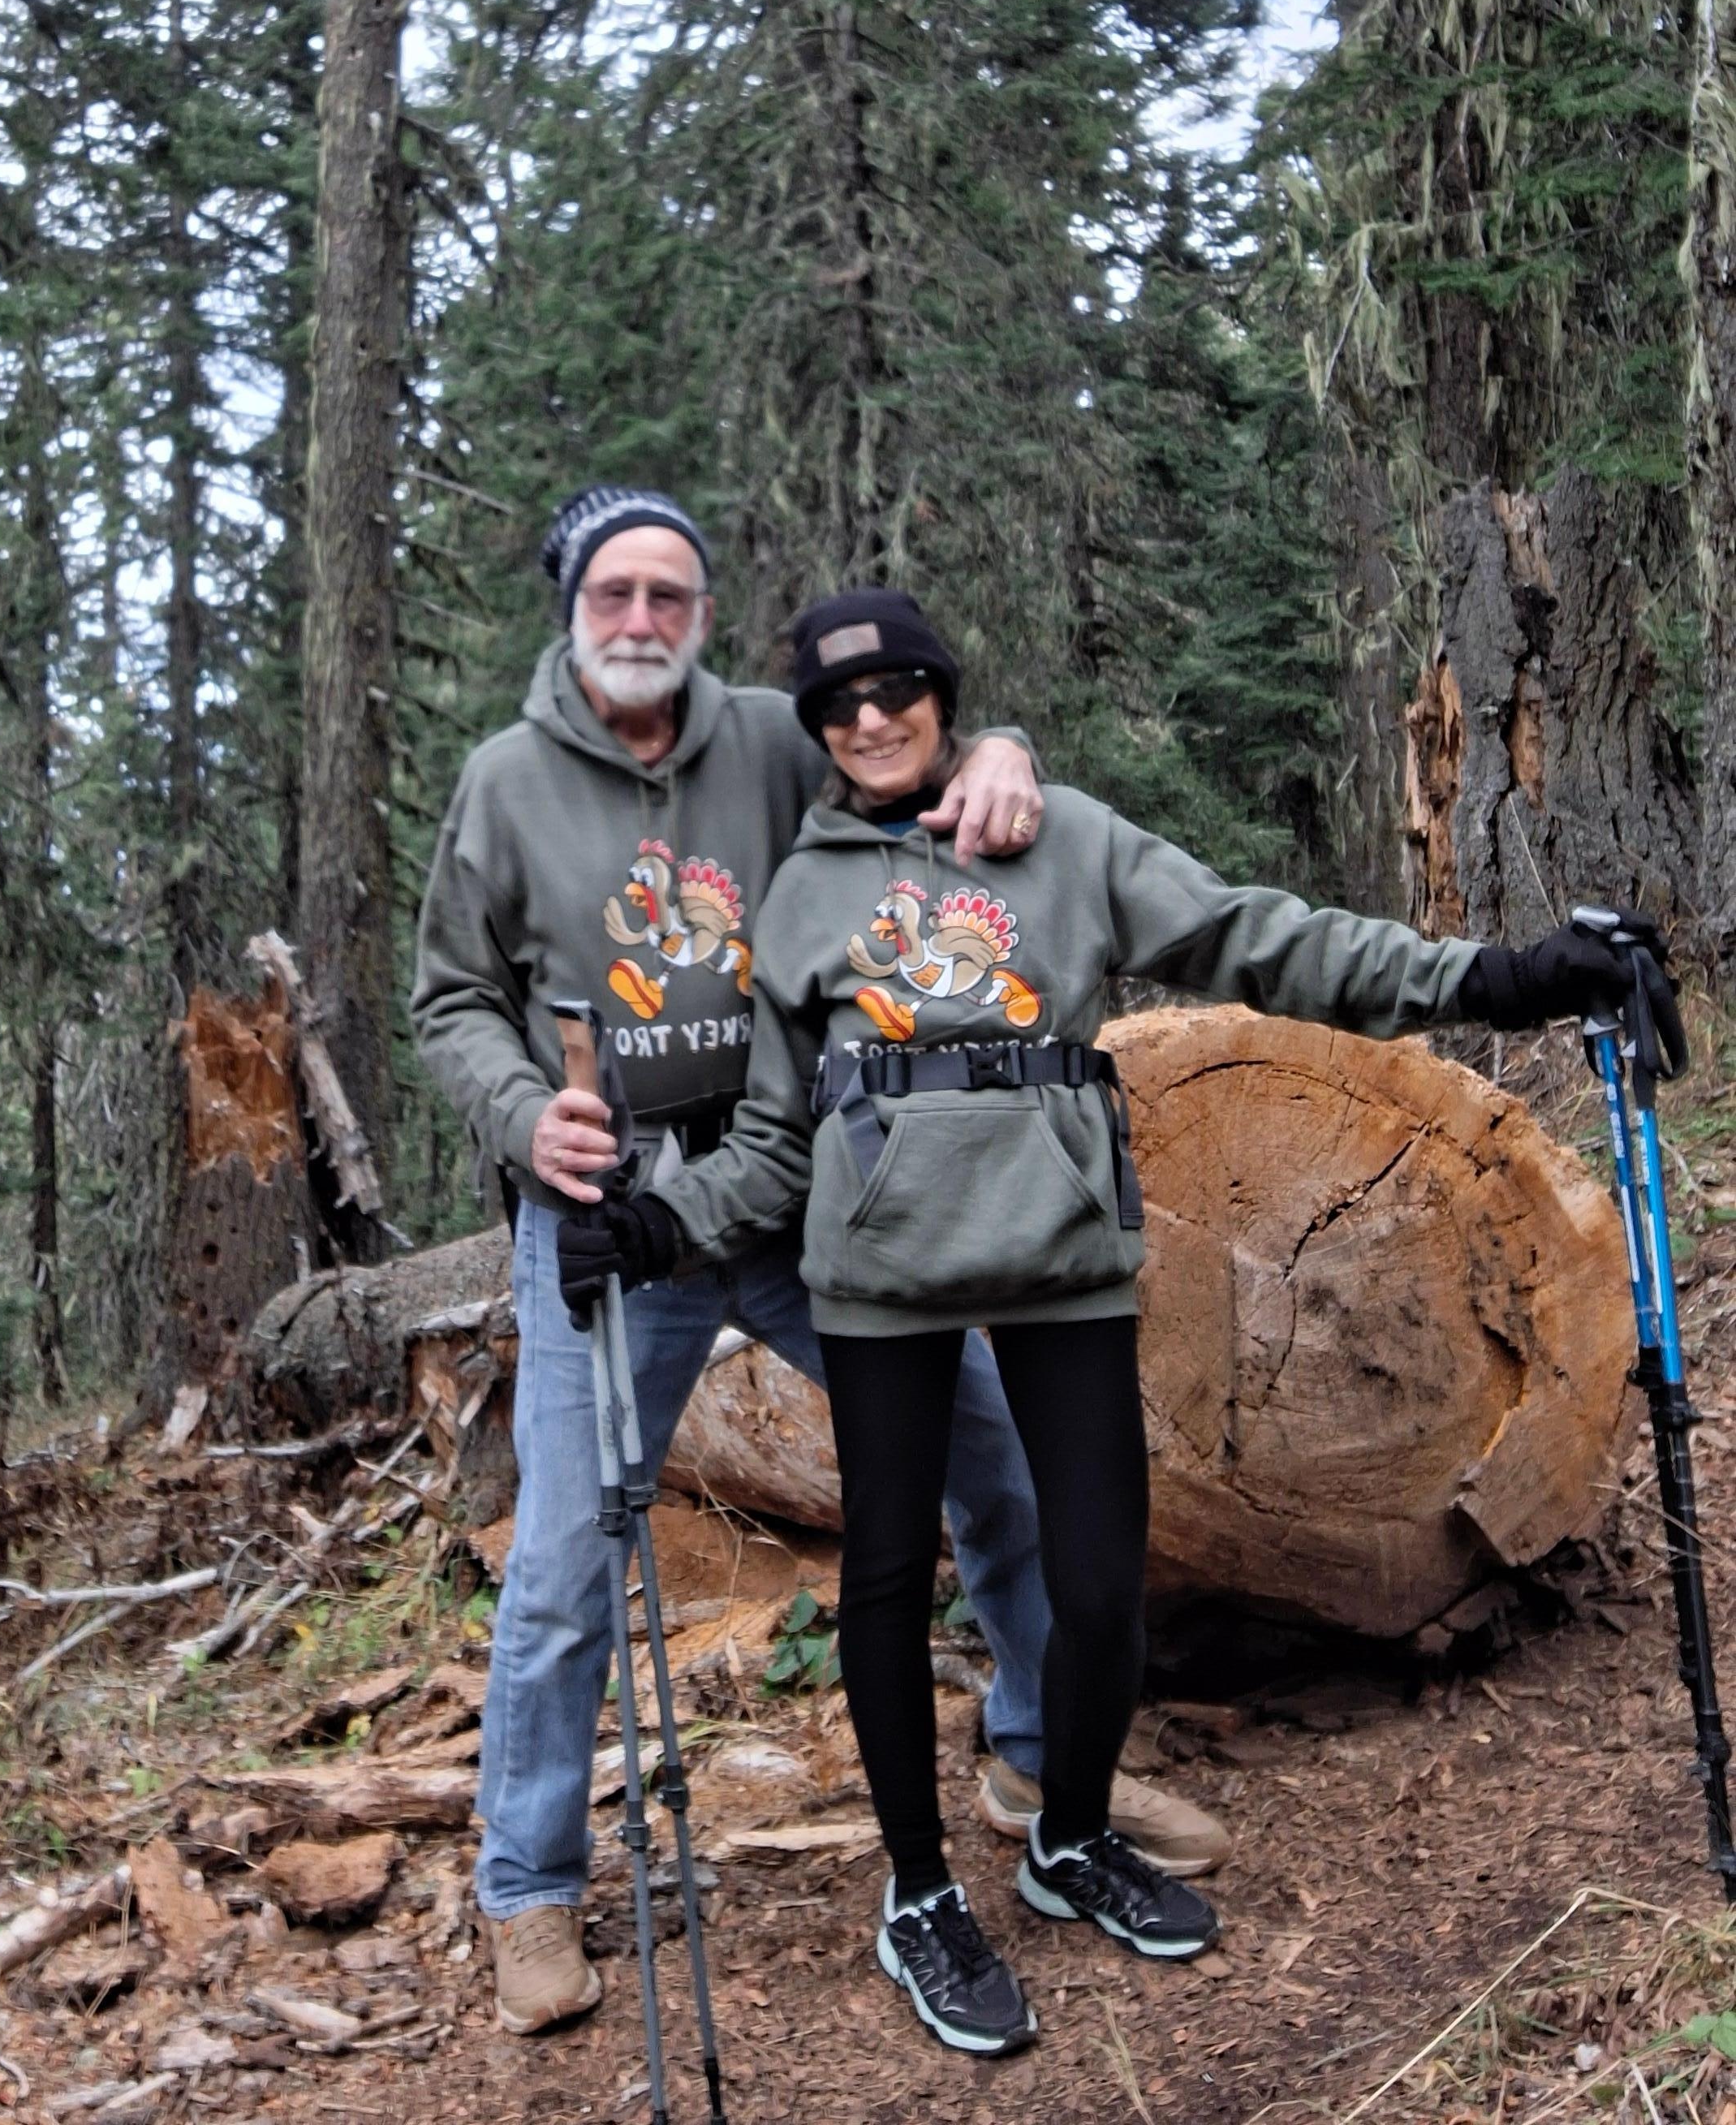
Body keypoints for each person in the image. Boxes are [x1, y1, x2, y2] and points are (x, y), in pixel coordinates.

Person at [566, 582, 1676, 2062]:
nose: (872, 718)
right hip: (880, 1286)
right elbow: (773, 1145)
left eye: (898, 687)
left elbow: (1265, 942)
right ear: (816, 730)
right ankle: (916, 1898)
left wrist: (1508, 976)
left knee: (1098, 1582)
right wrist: (658, 1222)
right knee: (891, 1588)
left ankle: (1067, 1834)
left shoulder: (1064, 839)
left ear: (943, 695)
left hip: (1067, 1263)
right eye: (839, 705)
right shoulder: (801, 897)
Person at [411, 489, 1222, 2044]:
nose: (642, 620)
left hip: (805, 1191)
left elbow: (900, 789)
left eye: (670, 593)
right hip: (616, 1211)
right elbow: (453, 997)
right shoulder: (505, 787)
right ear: (570, 607)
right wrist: (529, 1125)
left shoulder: (774, 740)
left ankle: (1046, 1769)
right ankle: (526, 1883)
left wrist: (1007, 755)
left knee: (995, 1471)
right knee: (577, 1552)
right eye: (615, 595)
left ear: (701, 615)